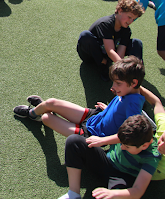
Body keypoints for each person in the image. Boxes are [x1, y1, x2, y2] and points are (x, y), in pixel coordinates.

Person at [88, 87, 165, 199]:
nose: (160, 145)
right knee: (135, 124)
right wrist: (135, 86)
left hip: (139, 174)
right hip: (131, 151)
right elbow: (156, 102)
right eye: (163, 139)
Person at [13, 56, 146, 138]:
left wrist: (103, 141)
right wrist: (108, 110)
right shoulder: (128, 91)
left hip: (92, 134)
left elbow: (129, 134)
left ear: (134, 83)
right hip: (96, 116)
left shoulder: (134, 104)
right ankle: (32, 114)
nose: (113, 86)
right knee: (51, 102)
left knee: (47, 118)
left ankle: (41, 113)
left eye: (118, 83)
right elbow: (120, 111)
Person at [57, 114, 160, 199]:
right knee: (73, 141)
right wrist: (103, 140)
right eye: (121, 143)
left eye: (127, 146)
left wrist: (113, 194)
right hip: (105, 159)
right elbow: (120, 136)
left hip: (122, 177)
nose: (122, 147)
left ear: (144, 146)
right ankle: (73, 194)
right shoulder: (132, 133)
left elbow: (138, 191)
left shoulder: (152, 157)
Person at [77, 0, 144, 80]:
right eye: (129, 17)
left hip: (108, 57)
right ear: (120, 10)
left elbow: (120, 53)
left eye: (133, 19)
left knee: (136, 43)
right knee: (85, 35)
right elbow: (110, 51)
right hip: (91, 56)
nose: (130, 21)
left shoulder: (126, 31)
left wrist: (120, 67)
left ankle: (135, 74)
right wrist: (124, 68)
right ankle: (104, 65)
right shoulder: (106, 24)